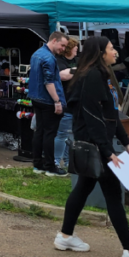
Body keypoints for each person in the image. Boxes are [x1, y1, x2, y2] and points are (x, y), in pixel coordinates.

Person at [54, 36, 129, 257]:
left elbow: (112, 112)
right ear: (101, 52)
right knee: (113, 195)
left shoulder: (101, 75)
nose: (116, 52)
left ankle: (65, 236)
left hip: (98, 142)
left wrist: (126, 142)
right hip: (96, 143)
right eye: (112, 48)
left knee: (82, 188)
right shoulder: (92, 76)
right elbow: (92, 116)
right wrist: (107, 150)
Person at [28, 31, 68, 176]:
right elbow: (49, 82)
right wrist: (57, 101)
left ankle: (38, 164)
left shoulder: (37, 54)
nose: (63, 49)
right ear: (54, 40)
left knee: (40, 131)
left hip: (36, 98)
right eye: (62, 45)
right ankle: (50, 167)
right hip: (48, 100)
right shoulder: (49, 58)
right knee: (50, 134)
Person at [53, 37, 79, 172]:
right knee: (62, 134)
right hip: (64, 103)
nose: (77, 52)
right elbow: (62, 76)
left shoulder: (76, 61)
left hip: (76, 105)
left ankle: (70, 163)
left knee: (71, 136)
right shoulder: (59, 61)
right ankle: (56, 162)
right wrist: (77, 70)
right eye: (75, 49)